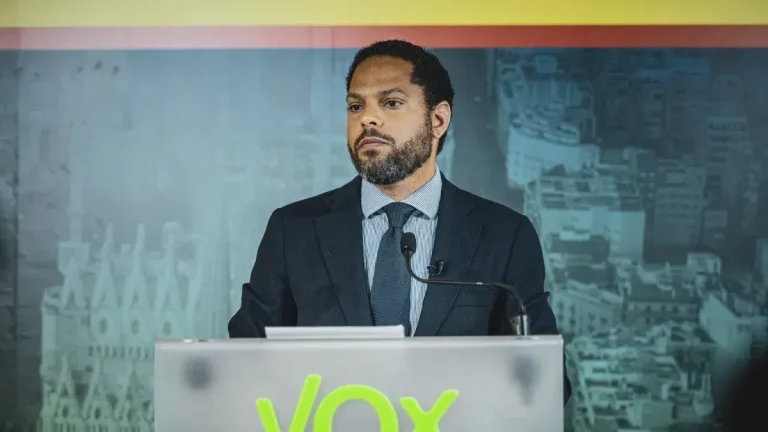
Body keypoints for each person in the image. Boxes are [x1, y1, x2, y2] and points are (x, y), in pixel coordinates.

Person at [228, 39, 571, 403]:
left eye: (391, 103)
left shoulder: (505, 236)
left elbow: (544, 385)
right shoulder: (293, 230)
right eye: (355, 106)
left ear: (437, 120)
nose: (367, 118)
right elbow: (242, 363)